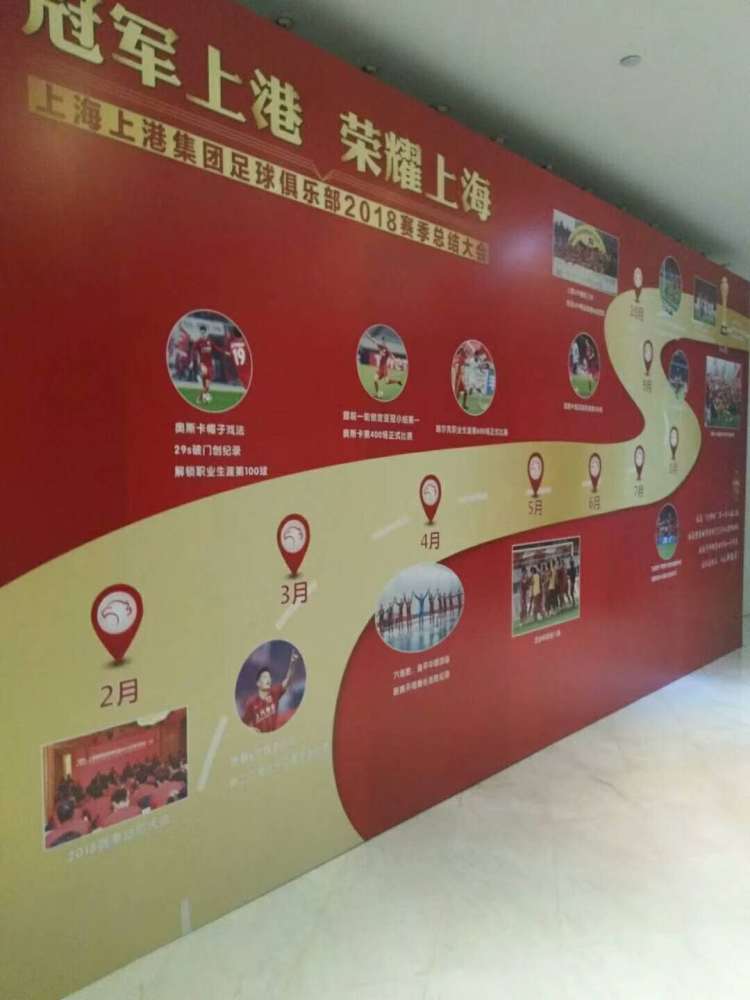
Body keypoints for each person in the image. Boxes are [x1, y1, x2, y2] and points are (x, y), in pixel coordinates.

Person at [242, 649, 299, 733]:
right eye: (265, 677)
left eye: (269, 677)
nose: (268, 680)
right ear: (258, 683)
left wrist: (292, 664)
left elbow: (288, 680)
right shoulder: (251, 702)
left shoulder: (274, 693)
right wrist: (251, 729)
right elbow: (244, 724)